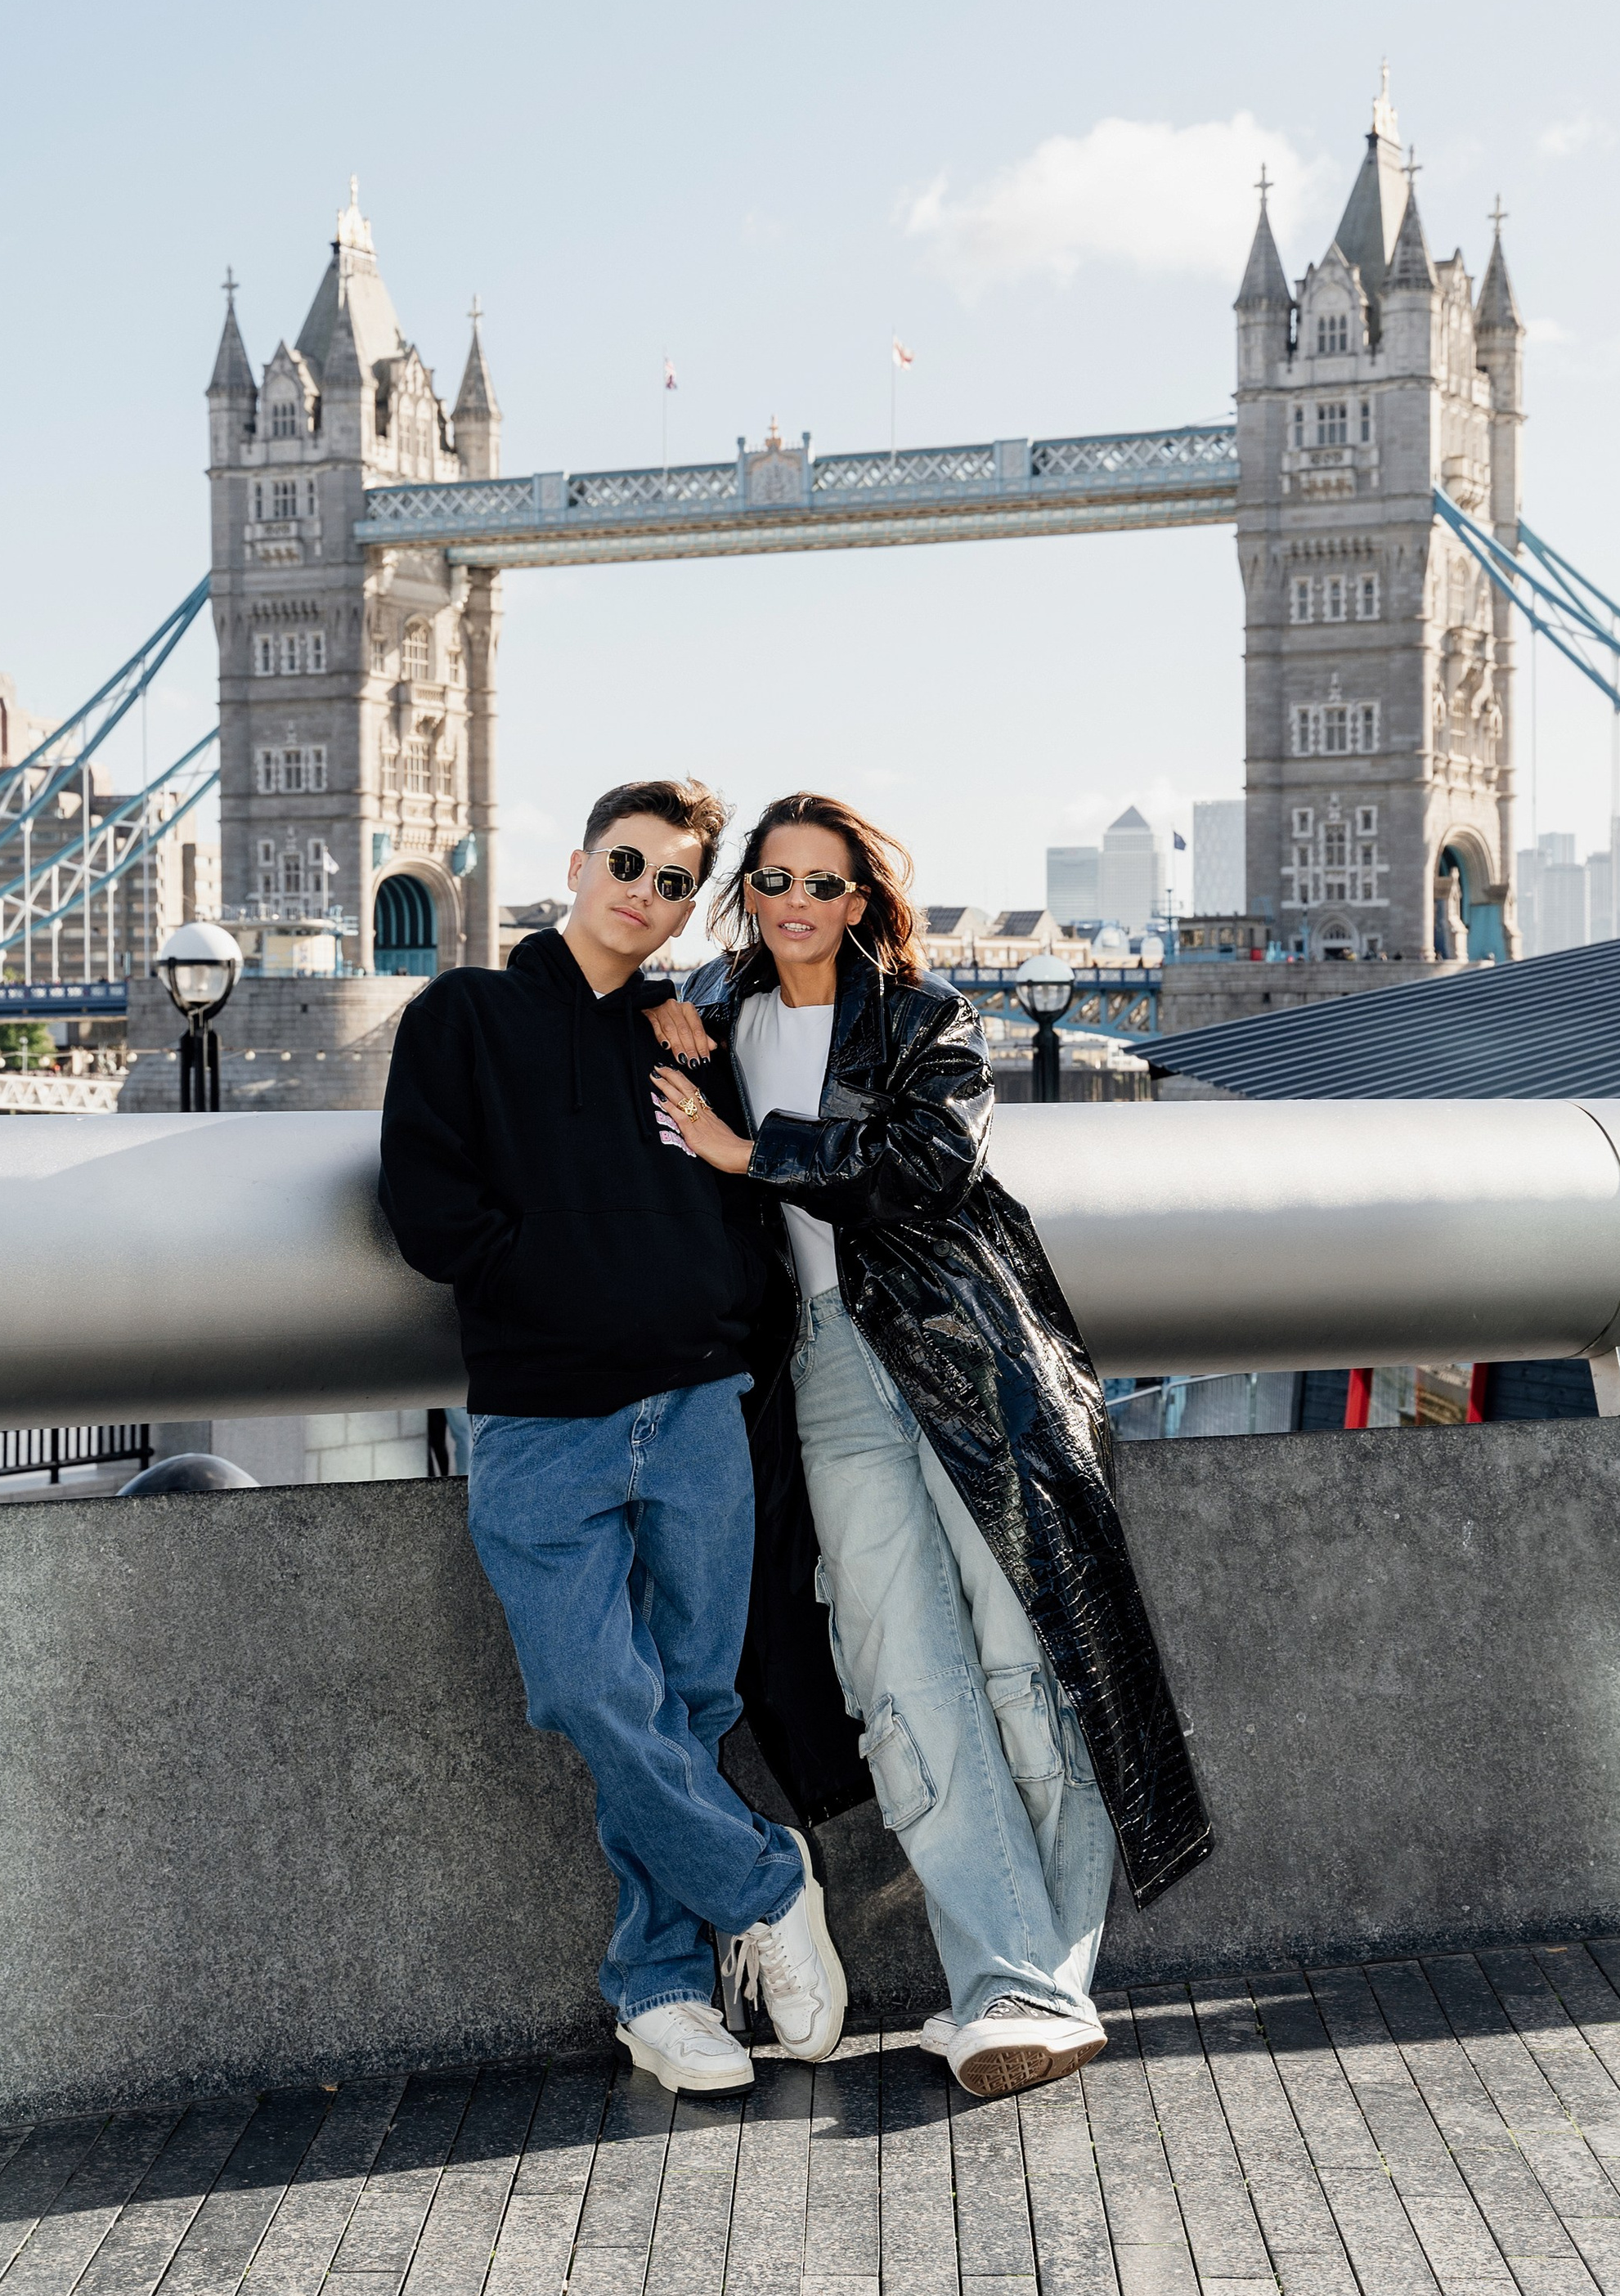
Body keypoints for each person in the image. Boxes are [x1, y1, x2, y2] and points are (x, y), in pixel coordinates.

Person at [648, 791, 1212, 2100]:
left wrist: (752, 1150)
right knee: (904, 1677)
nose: (797, 905)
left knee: (1024, 1659)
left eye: (825, 885)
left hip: (957, 1352)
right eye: (774, 882)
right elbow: (585, 996)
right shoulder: (718, 1016)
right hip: (824, 1368)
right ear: (749, 896)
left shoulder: (925, 1017)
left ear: (865, 903)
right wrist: (653, 1018)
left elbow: (932, 1161)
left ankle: (1025, 1989)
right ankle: (1020, 1982)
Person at [379, 776, 847, 2097]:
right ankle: (762, 1881)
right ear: (578, 863)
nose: (644, 894)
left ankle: (662, 1992)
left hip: (697, 1409)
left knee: (686, 1710)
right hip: (543, 1422)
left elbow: (750, 1201)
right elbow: (432, 1213)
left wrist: (717, 1316)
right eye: (627, 865)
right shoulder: (465, 1014)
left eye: (674, 882)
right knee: (589, 1690)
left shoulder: (685, 1033)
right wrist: (561, 1283)